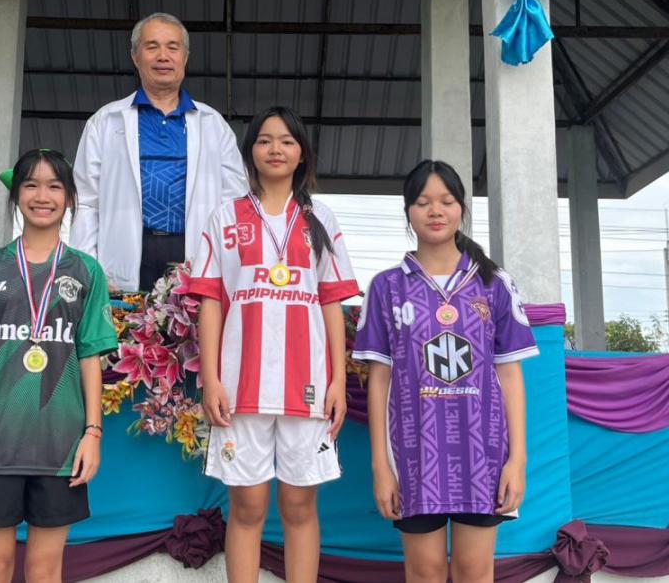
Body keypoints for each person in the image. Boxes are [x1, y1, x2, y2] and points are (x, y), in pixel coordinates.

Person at [189, 106, 359, 583]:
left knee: (299, 504)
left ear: (302, 153)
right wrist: (211, 380)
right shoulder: (224, 218)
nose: (276, 149)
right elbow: (210, 302)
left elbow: (332, 302)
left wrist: (338, 381)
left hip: (308, 386)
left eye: (287, 140)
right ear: (250, 152)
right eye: (265, 140)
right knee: (247, 505)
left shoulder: (320, 219)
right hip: (240, 386)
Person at [353, 160, 537, 583]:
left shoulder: (494, 284)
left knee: (475, 571)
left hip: (483, 453)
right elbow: (379, 381)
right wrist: (381, 466)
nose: (435, 211)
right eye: (423, 202)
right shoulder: (386, 287)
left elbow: (511, 377)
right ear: (408, 211)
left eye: (446, 201)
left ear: (461, 209)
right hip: (413, 453)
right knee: (425, 572)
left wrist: (517, 460)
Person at [0, 149, 119, 583]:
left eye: (55, 186)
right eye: (31, 185)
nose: (43, 196)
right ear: (16, 194)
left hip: (60, 447)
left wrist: (92, 434)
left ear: (70, 197)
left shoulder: (86, 271)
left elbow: (90, 358)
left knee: (45, 569)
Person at [70, 12, 248, 292]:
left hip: (194, 253)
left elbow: (235, 204)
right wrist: (89, 268)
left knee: (191, 321)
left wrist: (229, 266)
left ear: (185, 58)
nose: (163, 56)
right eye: (152, 46)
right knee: (123, 320)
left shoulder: (214, 124)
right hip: (125, 251)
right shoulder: (105, 121)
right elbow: (86, 202)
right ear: (135, 56)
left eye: (173, 47)